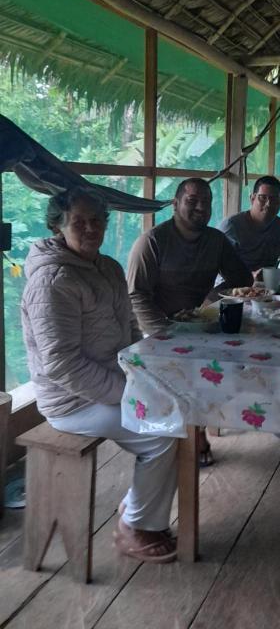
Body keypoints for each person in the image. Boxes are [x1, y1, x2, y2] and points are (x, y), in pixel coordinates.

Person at [21, 188, 178, 563]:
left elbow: (129, 326)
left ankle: (136, 507)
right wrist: (128, 392)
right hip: (71, 400)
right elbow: (60, 364)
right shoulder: (53, 280)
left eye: (97, 221)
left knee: (180, 406)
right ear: (58, 226)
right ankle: (135, 526)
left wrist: (145, 369)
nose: (91, 229)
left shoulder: (106, 266)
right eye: (79, 222)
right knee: (163, 432)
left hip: (114, 381)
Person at [126, 177, 253, 466]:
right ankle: (191, 435)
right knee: (188, 370)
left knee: (245, 354)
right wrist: (165, 333)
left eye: (206, 202)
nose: (200, 207)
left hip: (199, 325)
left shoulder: (215, 240)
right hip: (157, 330)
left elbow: (243, 279)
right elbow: (136, 296)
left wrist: (212, 296)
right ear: (175, 204)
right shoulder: (153, 241)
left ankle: (212, 419)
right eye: (192, 200)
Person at [219, 175, 280, 275]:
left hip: (267, 286)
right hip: (231, 287)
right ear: (252, 198)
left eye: (274, 199)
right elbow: (220, 266)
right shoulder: (232, 226)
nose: (268, 204)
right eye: (263, 198)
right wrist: (252, 275)